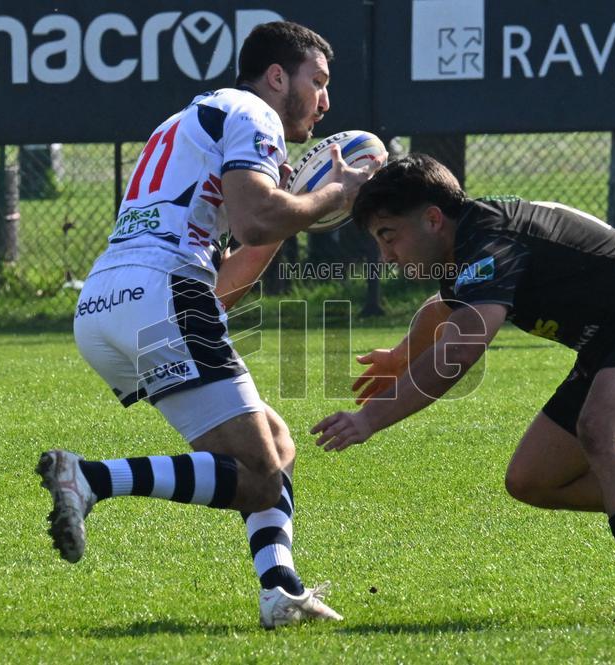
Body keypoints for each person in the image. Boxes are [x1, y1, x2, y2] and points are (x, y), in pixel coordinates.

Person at [36, 21, 381, 628]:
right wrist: (336, 196)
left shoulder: (187, 120)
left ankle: (280, 590)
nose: (325, 100)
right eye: (318, 81)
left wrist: (293, 211)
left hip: (105, 301)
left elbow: (233, 265)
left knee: (274, 444)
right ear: (277, 77)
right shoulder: (254, 112)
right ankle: (89, 478)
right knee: (259, 481)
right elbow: (255, 220)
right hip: (162, 292)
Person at [311, 154, 615, 628]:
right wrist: (400, 356)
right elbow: (441, 309)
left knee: (602, 428)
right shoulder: (467, 242)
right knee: (533, 478)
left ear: (432, 219)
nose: (386, 256)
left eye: (388, 236)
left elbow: (460, 351)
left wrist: (369, 418)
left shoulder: (491, 242)